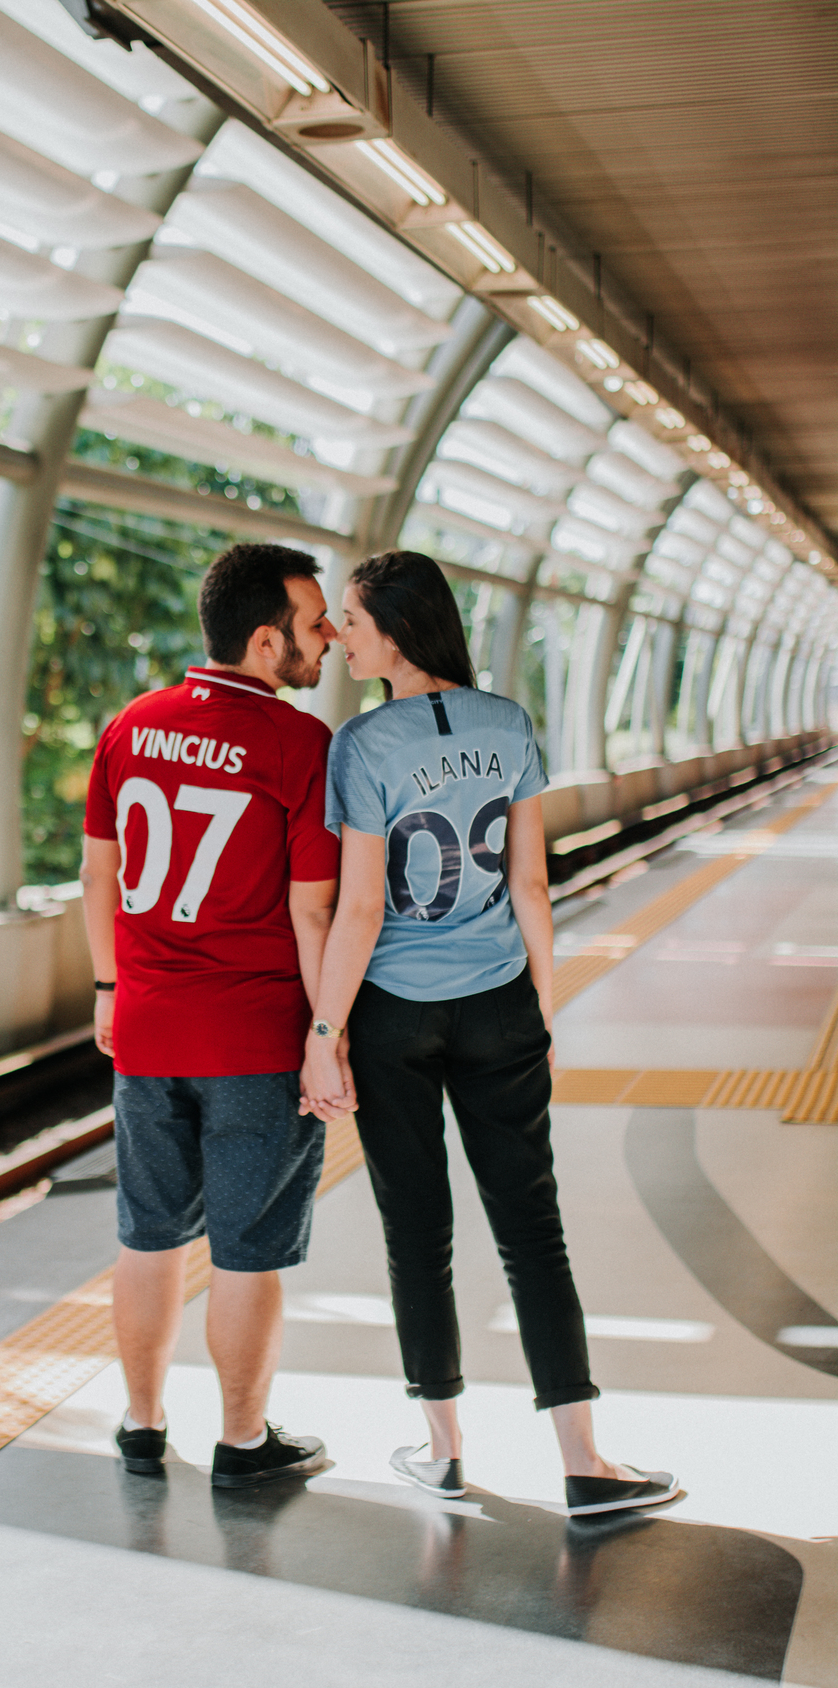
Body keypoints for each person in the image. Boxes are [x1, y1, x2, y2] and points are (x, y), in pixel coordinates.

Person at [299, 550, 678, 1519]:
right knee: (532, 1232)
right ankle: (585, 1461)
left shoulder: (362, 743)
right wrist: (540, 1008)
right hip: (500, 997)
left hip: (392, 1013)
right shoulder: (507, 724)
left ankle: (443, 1450)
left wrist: (325, 1029)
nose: (340, 634)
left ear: (397, 630)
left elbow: (359, 911)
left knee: (416, 1232)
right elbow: (531, 885)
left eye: (351, 618)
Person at [81, 541, 344, 1490]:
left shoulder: (131, 726)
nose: (330, 642)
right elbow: (314, 908)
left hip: (147, 1031)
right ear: (266, 640)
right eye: (315, 627)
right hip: (253, 1039)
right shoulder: (298, 745)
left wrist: (110, 988)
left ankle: (142, 1424)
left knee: (146, 1234)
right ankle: (242, 1442)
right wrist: (327, 1035)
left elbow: (99, 875)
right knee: (245, 1249)